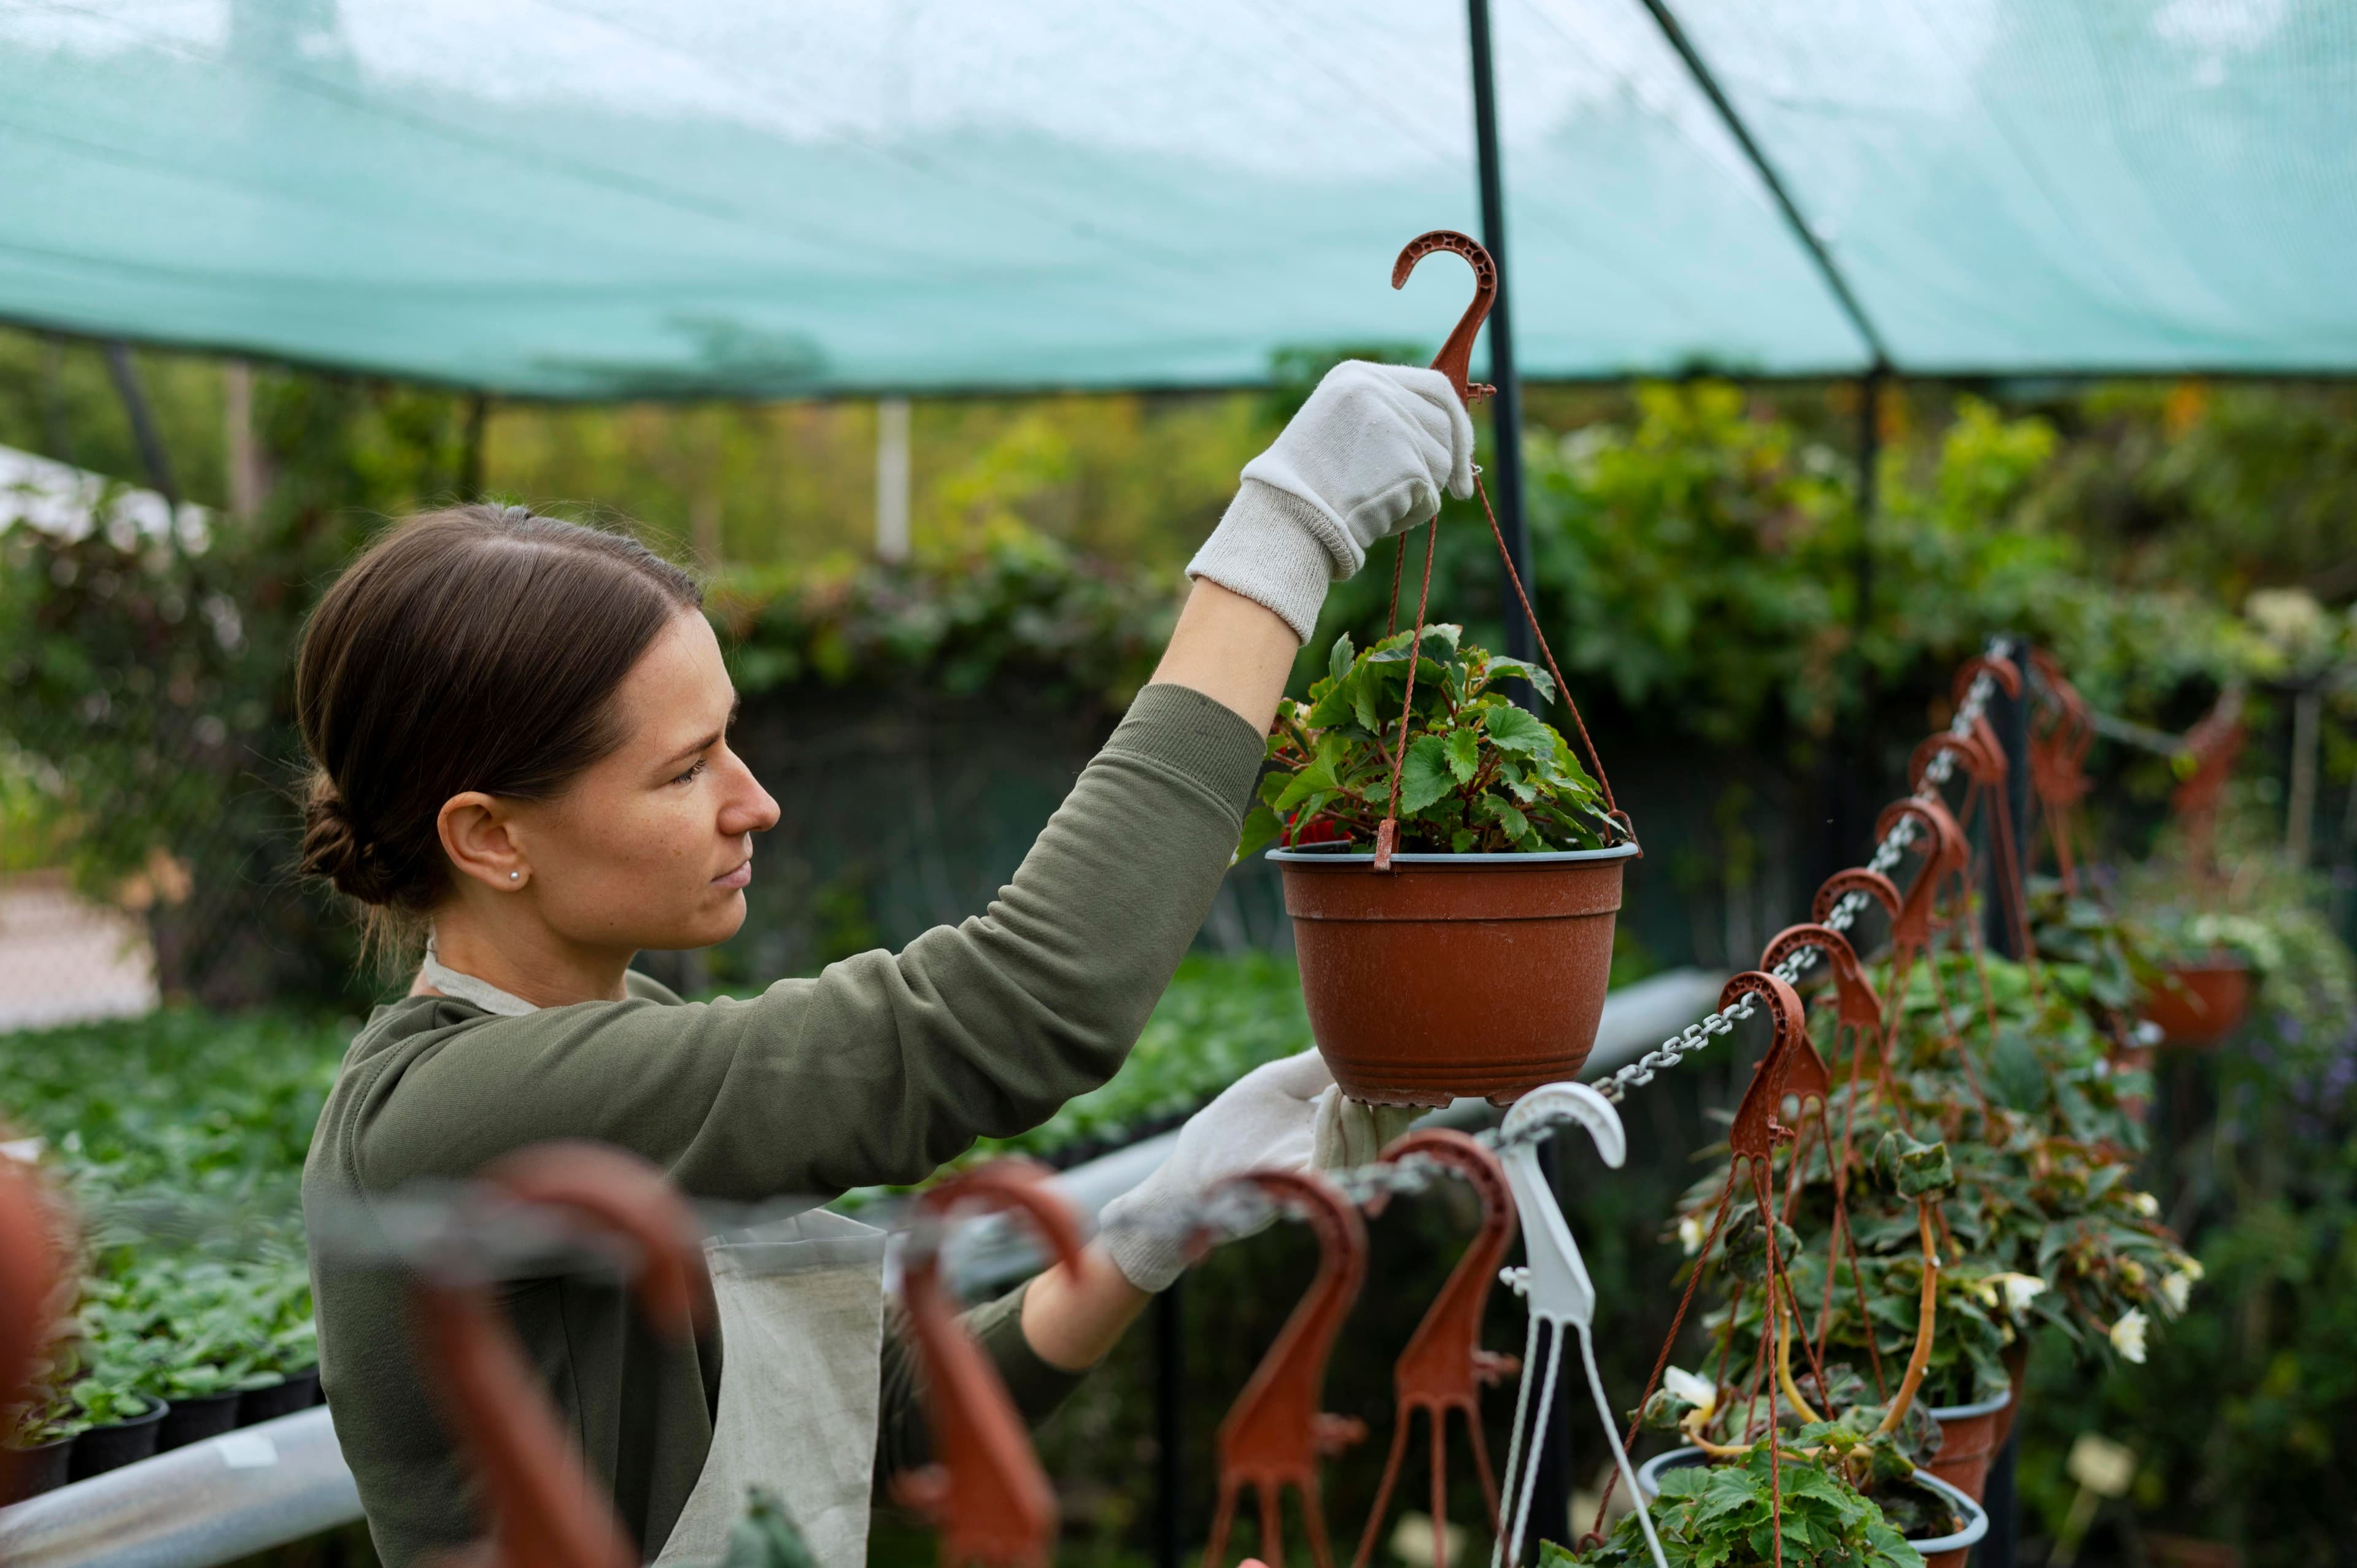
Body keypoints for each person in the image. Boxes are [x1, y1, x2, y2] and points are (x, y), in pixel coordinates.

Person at [296, 362, 1473, 1567]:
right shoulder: (445, 1124)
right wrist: (1283, 535)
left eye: (730, 741)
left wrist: (1148, 1233)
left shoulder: (617, 1043)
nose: (756, 801)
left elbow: (884, 1415)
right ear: (490, 836)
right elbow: (1018, 1008)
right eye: (684, 767)